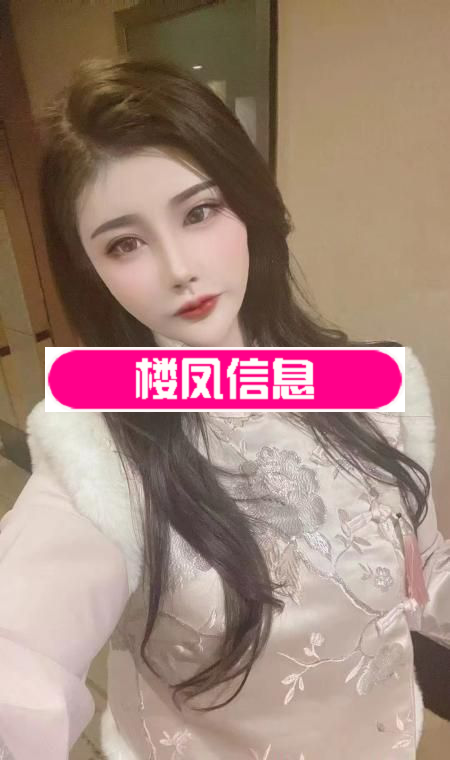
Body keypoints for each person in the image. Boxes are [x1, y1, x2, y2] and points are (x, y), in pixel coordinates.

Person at [0, 58, 448, 760]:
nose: (179, 267)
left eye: (200, 212)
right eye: (125, 244)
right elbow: (18, 661)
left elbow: (425, 572)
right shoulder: (95, 447)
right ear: (91, 268)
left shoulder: (372, 385)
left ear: (248, 204)